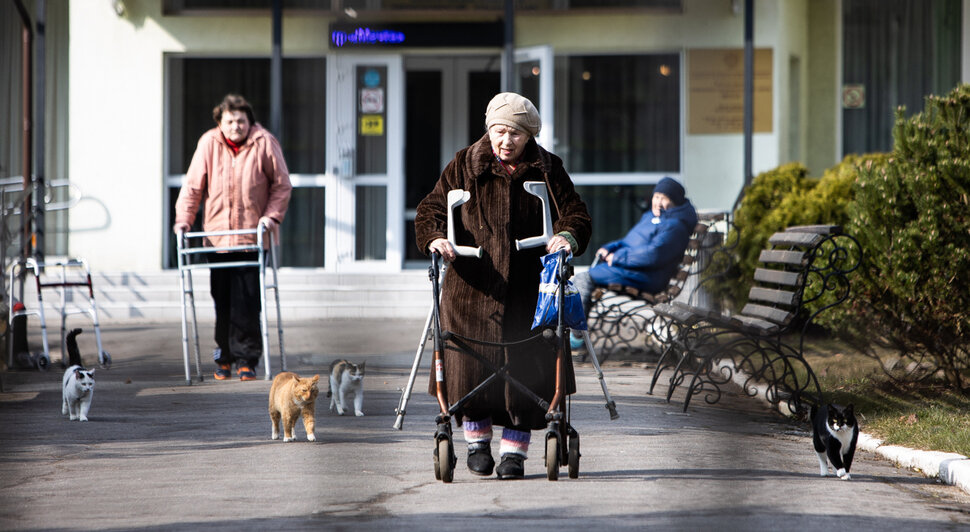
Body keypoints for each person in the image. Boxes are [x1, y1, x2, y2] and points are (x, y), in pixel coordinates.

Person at [414, 92, 591, 480]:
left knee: (526, 368)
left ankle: (514, 452)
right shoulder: (463, 164)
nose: (505, 140)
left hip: (529, 289)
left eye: (514, 133)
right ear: (489, 130)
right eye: (498, 131)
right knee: (470, 366)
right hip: (471, 288)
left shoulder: (547, 168)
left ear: (528, 136)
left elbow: (576, 213)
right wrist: (435, 238)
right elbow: (430, 209)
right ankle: (476, 444)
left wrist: (567, 237)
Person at [173, 94, 292, 381]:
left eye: (241, 120)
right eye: (230, 121)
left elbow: (281, 185)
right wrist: (183, 222)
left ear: (250, 122)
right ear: (220, 122)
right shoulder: (209, 143)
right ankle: (223, 357)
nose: (236, 126)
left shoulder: (264, 142)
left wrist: (270, 217)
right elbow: (192, 188)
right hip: (218, 238)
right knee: (222, 298)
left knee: (248, 300)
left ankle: (247, 360)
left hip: (252, 238)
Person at [569, 177, 697, 349]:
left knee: (583, 279)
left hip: (648, 276)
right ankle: (577, 332)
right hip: (633, 270)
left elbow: (654, 255)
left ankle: (576, 336)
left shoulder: (675, 226)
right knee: (581, 280)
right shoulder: (650, 217)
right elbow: (629, 241)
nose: (658, 202)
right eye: (656, 196)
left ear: (675, 202)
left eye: (664, 198)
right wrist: (610, 247)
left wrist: (618, 258)